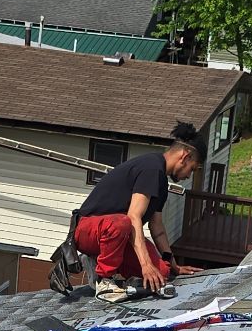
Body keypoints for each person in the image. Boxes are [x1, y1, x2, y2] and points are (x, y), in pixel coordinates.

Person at [72, 122, 203, 297]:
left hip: (117, 235)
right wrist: (145, 264)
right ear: (185, 156)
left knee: (161, 273)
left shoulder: (161, 181)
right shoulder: (151, 168)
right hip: (87, 231)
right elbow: (134, 217)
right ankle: (103, 279)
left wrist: (174, 265)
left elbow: (157, 228)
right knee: (122, 223)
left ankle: (109, 266)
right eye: (192, 168)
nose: (188, 175)